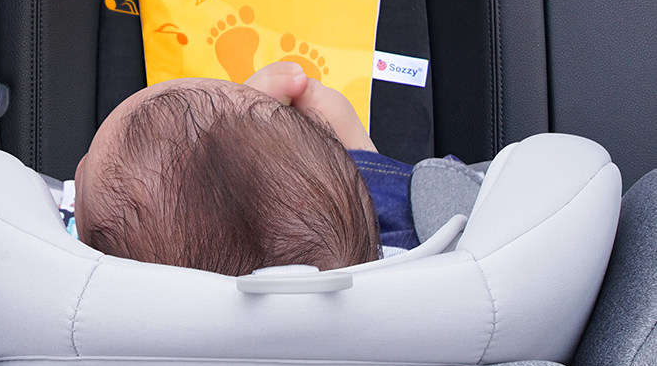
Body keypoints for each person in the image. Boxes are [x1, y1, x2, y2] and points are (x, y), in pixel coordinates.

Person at [69, 61, 449, 274]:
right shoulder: (437, 272)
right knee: (371, 208)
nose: (79, 168)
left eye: (82, 173)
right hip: (379, 265)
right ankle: (360, 159)